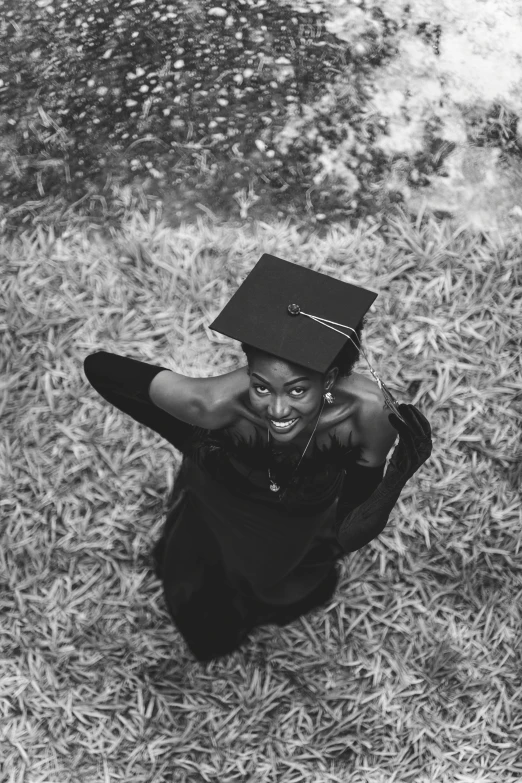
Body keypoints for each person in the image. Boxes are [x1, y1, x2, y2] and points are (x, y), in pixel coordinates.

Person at [83, 253, 432, 662]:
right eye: (262, 386)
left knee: (272, 577)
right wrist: (199, 425)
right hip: (217, 498)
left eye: (298, 390)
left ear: (333, 379)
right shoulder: (214, 405)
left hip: (293, 523)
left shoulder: (369, 414)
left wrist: (398, 476)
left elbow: (347, 529)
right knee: (199, 567)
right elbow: (99, 368)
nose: (278, 410)